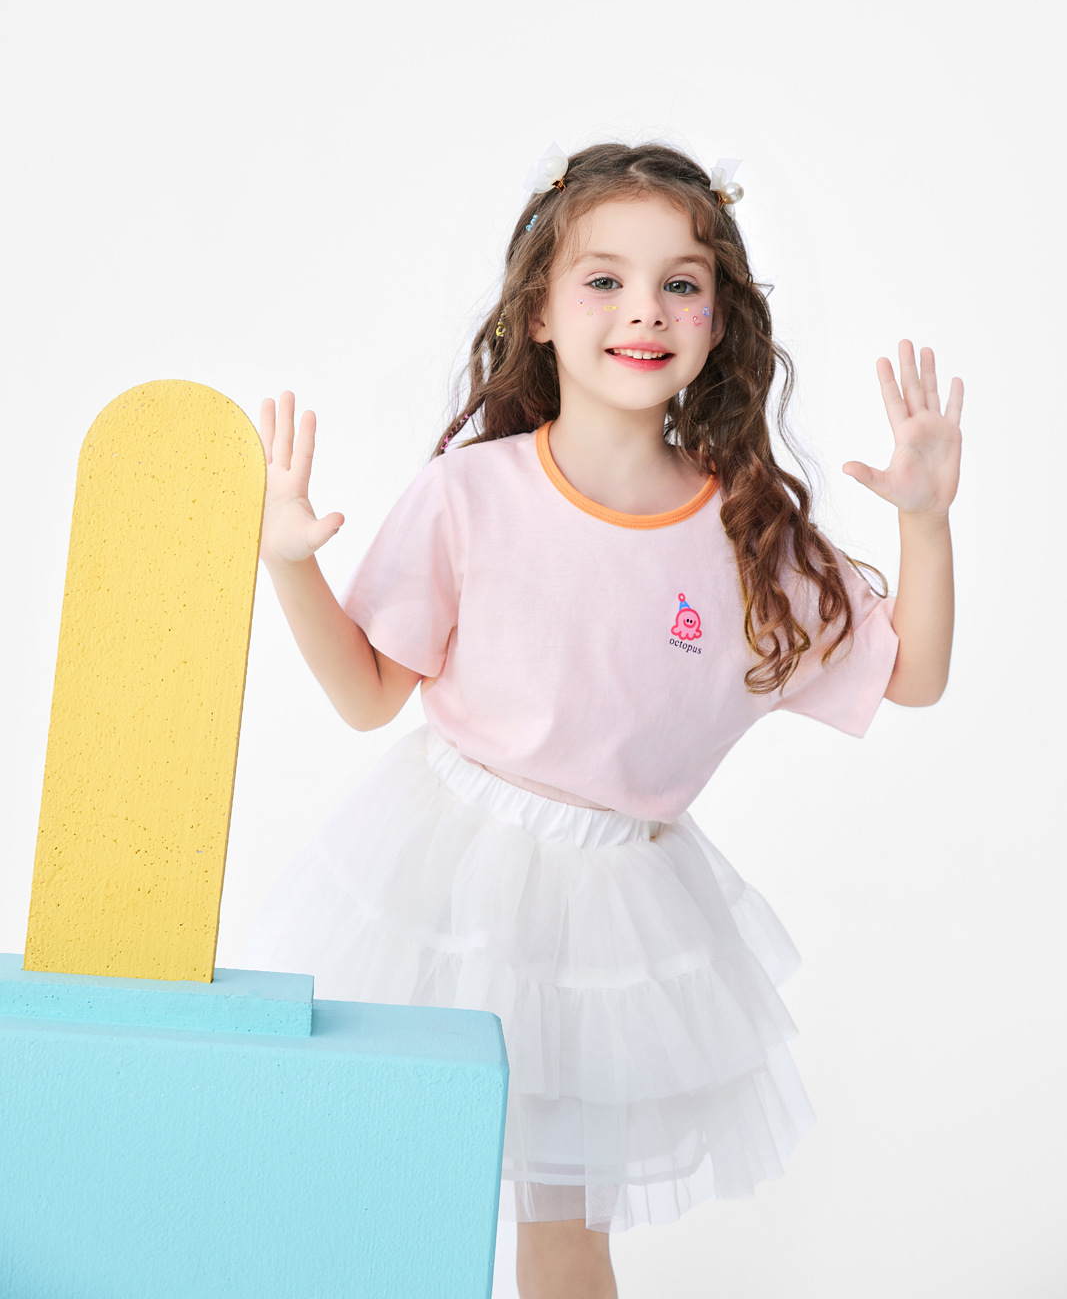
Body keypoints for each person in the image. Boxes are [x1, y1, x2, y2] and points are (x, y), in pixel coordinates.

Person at [239, 140, 962, 1299]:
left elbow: (908, 675)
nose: (644, 309)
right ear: (538, 312)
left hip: (612, 923)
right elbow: (368, 693)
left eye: (680, 282)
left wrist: (924, 520)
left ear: (719, 321)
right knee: (388, 1184)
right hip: (442, 887)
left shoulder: (748, 535)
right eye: (604, 279)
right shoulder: (469, 493)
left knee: (565, 1231)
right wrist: (287, 564)